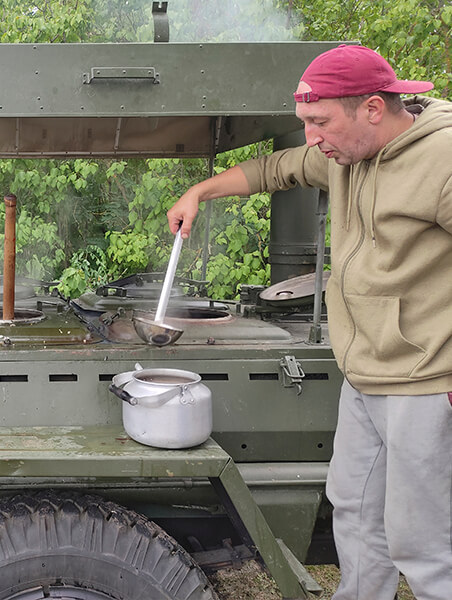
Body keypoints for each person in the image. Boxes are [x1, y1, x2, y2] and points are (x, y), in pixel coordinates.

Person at [167, 44, 452, 600]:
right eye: (306, 124)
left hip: (426, 379)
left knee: (422, 540)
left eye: (319, 123)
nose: (312, 138)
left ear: (373, 108)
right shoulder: (344, 152)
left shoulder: (442, 160)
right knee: (353, 511)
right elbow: (274, 169)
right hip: (364, 374)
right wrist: (198, 191)